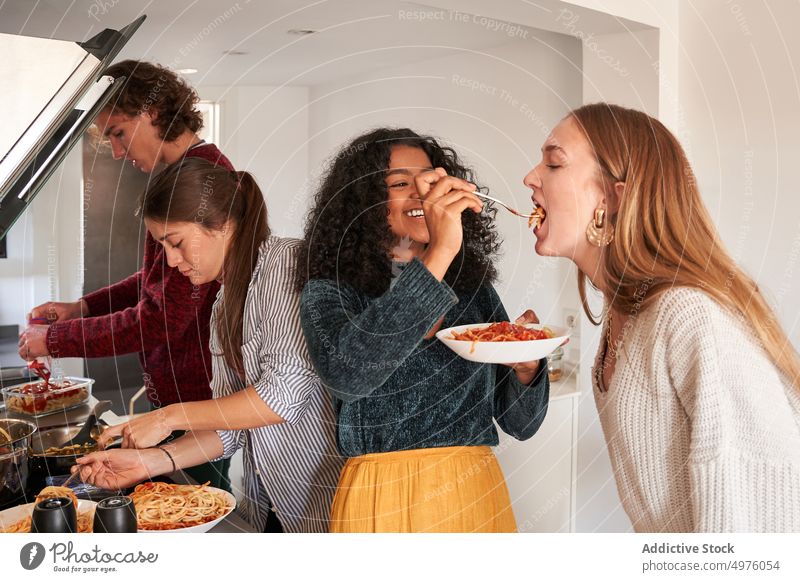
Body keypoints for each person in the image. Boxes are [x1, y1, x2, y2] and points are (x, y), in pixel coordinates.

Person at [523, 102, 800, 532]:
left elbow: (754, 518)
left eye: (554, 163)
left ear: (611, 197)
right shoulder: (624, 319)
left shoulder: (688, 317)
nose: (530, 177)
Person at [297, 128, 550, 533]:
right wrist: (440, 252)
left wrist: (526, 368)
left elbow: (522, 424)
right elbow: (349, 375)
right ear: (363, 202)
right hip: (380, 498)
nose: (422, 196)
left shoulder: (472, 291)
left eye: (430, 181)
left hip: (474, 494)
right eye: (400, 184)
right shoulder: (330, 292)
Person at [74, 158, 343, 533]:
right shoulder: (223, 304)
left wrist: (165, 416)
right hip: (271, 503)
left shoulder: (285, 263)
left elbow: (282, 395)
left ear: (222, 224)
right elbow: (231, 427)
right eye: (163, 246)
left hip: (328, 505)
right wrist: (150, 462)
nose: (171, 260)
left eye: (177, 242)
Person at [18, 60, 233, 490]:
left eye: (118, 132)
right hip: (177, 393)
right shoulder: (177, 176)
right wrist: (81, 306)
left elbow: (161, 317)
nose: (117, 152)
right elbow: (154, 280)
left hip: (198, 399)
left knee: (196, 505)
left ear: (151, 113)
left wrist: (55, 339)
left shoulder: (201, 179)